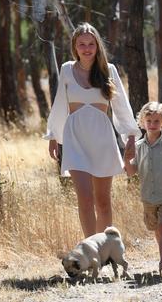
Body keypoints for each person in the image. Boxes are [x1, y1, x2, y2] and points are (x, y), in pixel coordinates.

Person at [45, 22, 141, 238]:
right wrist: (53, 136)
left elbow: (122, 107)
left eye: (91, 44)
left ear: (97, 46)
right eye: (82, 44)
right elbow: (60, 103)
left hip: (102, 139)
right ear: (74, 47)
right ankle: (90, 250)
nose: (87, 48)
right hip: (75, 139)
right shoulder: (67, 69)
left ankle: (105, 248)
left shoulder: (109, 70)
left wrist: (131, 139)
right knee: (85, 199)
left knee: (103, 202)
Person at [123, 102, 162, 276]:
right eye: (148, 120)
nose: (152, 124)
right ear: (142, 122)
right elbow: (132, 172)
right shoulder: (139, 146)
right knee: (156, 229)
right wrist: (127, 160)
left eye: (156, 121)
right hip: (148, 197)